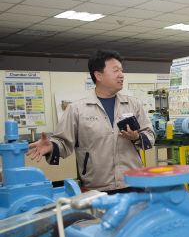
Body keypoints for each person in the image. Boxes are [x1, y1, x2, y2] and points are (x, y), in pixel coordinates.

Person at [27, 49, 155, 194]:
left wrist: (137, 137)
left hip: (133, 184)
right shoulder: (77, 109)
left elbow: (150, 135)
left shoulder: (133, 104)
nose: (121, 75)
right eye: (115, 70)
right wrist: (51, 146)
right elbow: (63, 142)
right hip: (96, 189)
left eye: (121, 70)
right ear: (98, 75)